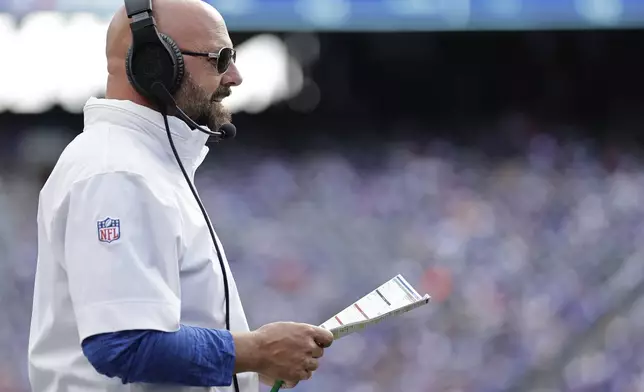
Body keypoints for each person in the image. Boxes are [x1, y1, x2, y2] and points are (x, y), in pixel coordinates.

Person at [27, 0, 334, 391]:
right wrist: (255, 351)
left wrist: (246, 366)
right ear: (155, 63)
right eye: (220, 58)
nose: (235, 77)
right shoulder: (116, 170)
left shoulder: (142, 163)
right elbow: (123, 344)